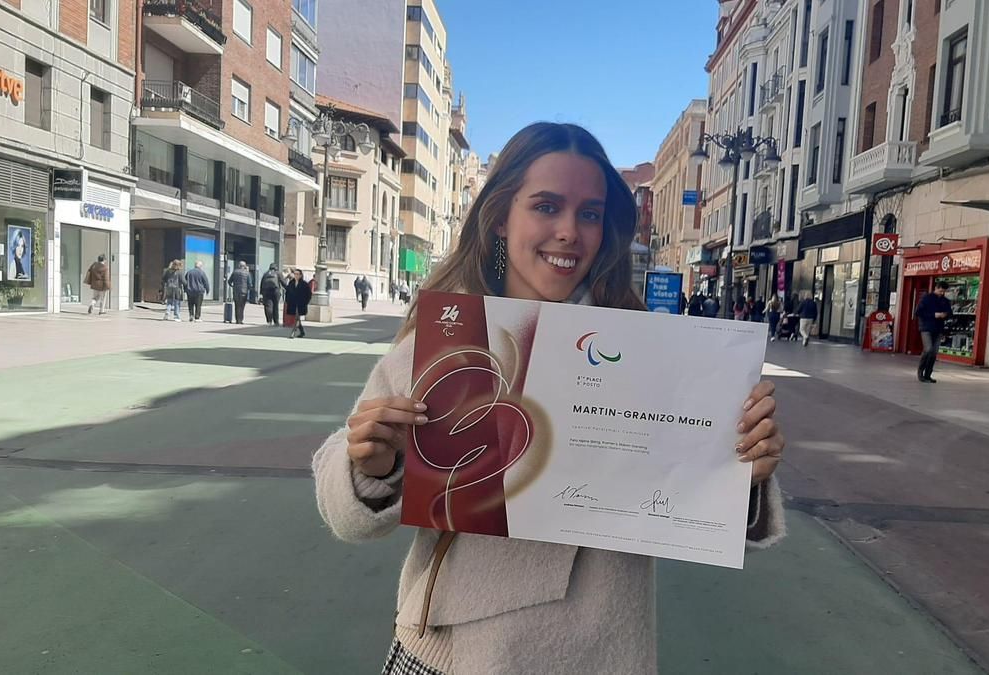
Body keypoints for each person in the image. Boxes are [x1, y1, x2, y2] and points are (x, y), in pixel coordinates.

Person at [312, 123, 785, 674]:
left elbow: (697, 503)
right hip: (459, 655)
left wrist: (746, 468)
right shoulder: (450, 337)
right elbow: (350, 515)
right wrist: (370, 463)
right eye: (546, 206)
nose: (569, 232)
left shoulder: (653, 350)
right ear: (500, 216)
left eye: (588, 213)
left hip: (604, 655)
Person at [915, 282, 953, 383]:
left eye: (944, 292)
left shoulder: (945, 301)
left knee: (934, 352)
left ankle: (928, 374)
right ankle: (920, 371)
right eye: (940, 291)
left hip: (938, 328)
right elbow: (918, 312)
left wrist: (945, 315)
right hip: (926, 327)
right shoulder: (927, 298)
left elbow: (950, 313)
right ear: (936, 288)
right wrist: (934, 315)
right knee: (928, 349)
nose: (941, 293)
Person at [285, 268, 312, 338]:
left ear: (300, 275)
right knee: (297, 318)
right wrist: (287, 301)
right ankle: (302, 331)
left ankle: (293, 332)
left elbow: (309, 294)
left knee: (296, 317)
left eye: (297, 274)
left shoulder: (304, 284)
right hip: (292, 303)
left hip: (301, 304)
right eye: (295, 274)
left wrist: (305, 302)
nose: (296, 276)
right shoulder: (291, 283)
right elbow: (287, 292)